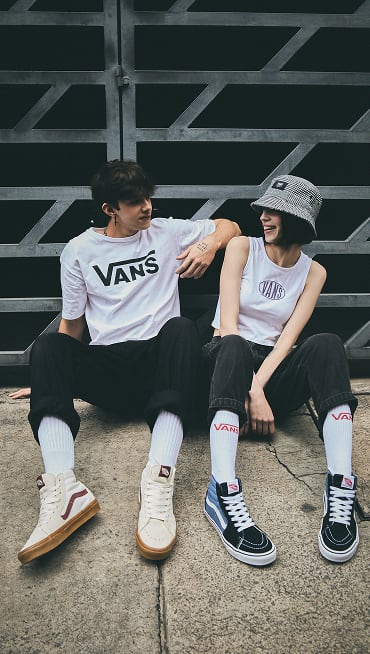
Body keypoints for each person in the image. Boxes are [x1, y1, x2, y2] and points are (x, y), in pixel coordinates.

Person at [16, 159, 240, 565]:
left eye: (148, 198)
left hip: (163, 369)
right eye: (135, 202)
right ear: (109, 209)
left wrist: (208, 246)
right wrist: (53, 378)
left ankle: (159, 478)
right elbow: (72, 324)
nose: (147, 208)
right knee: (48, 348)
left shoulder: (166, 232)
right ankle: (63, 487)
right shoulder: (80, 251)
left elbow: (230, 226)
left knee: (181, 327)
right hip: (111, 372)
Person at [202, 174, 359, 567]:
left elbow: (288, 339)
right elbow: (229, 326)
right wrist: (250, 391)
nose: (264, 218)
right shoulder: (242, 247)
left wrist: (259, 389)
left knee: (326, 343)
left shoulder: (313, 272)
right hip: (227, 360)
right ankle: (222, 489)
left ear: (298, 221)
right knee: (235, 343)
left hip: (271, 371)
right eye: (264, 210)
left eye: (276, 212)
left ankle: (340, 487)